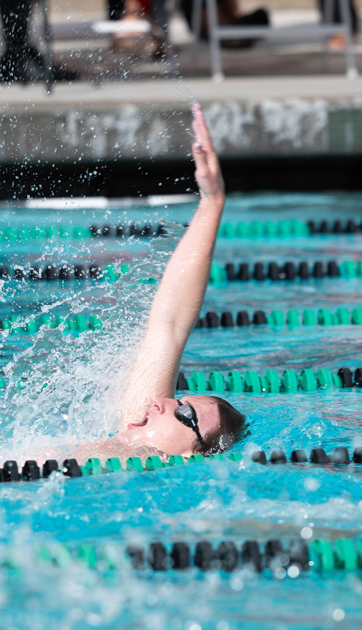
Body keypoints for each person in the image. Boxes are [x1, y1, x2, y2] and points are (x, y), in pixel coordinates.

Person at [77, 104, 248, 461]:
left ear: (192, 454)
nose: (160, 401)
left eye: (184, 414)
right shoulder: (130, 441)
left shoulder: (138, 465)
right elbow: (168, 325)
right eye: (180, 402)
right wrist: (212, 202)